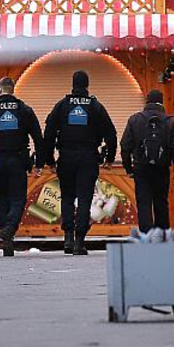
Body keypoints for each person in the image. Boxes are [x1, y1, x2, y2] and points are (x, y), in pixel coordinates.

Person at [42, 70, 117, 255]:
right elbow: (111, 134)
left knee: (67, 197)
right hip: (88, 157)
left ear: (73, 84)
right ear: (87, 85)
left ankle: (67, 238)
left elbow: (49, 134)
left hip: (66, 157)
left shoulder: (62, 106)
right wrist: (109, 158)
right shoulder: (95, 106)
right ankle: (79, 242)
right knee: (84, 199)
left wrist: (50, 160)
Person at [0, 76, 45, 257]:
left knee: (3, 200)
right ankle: (10, 229)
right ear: (12, 90)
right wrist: (39, 163)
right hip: (18, 160)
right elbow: (38, 137)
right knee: (18, 198)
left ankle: (7, 240)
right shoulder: (24, 110)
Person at [120, 89, 174, 234]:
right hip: (162, 168)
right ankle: (162, 236)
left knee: (144, 202)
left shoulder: (135, 119)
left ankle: (146, 236)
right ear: (161, 102)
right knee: (161, 202)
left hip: (141, 169)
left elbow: (125, 146)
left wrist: (128, 168)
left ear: (147, 101)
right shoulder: (170, 122)